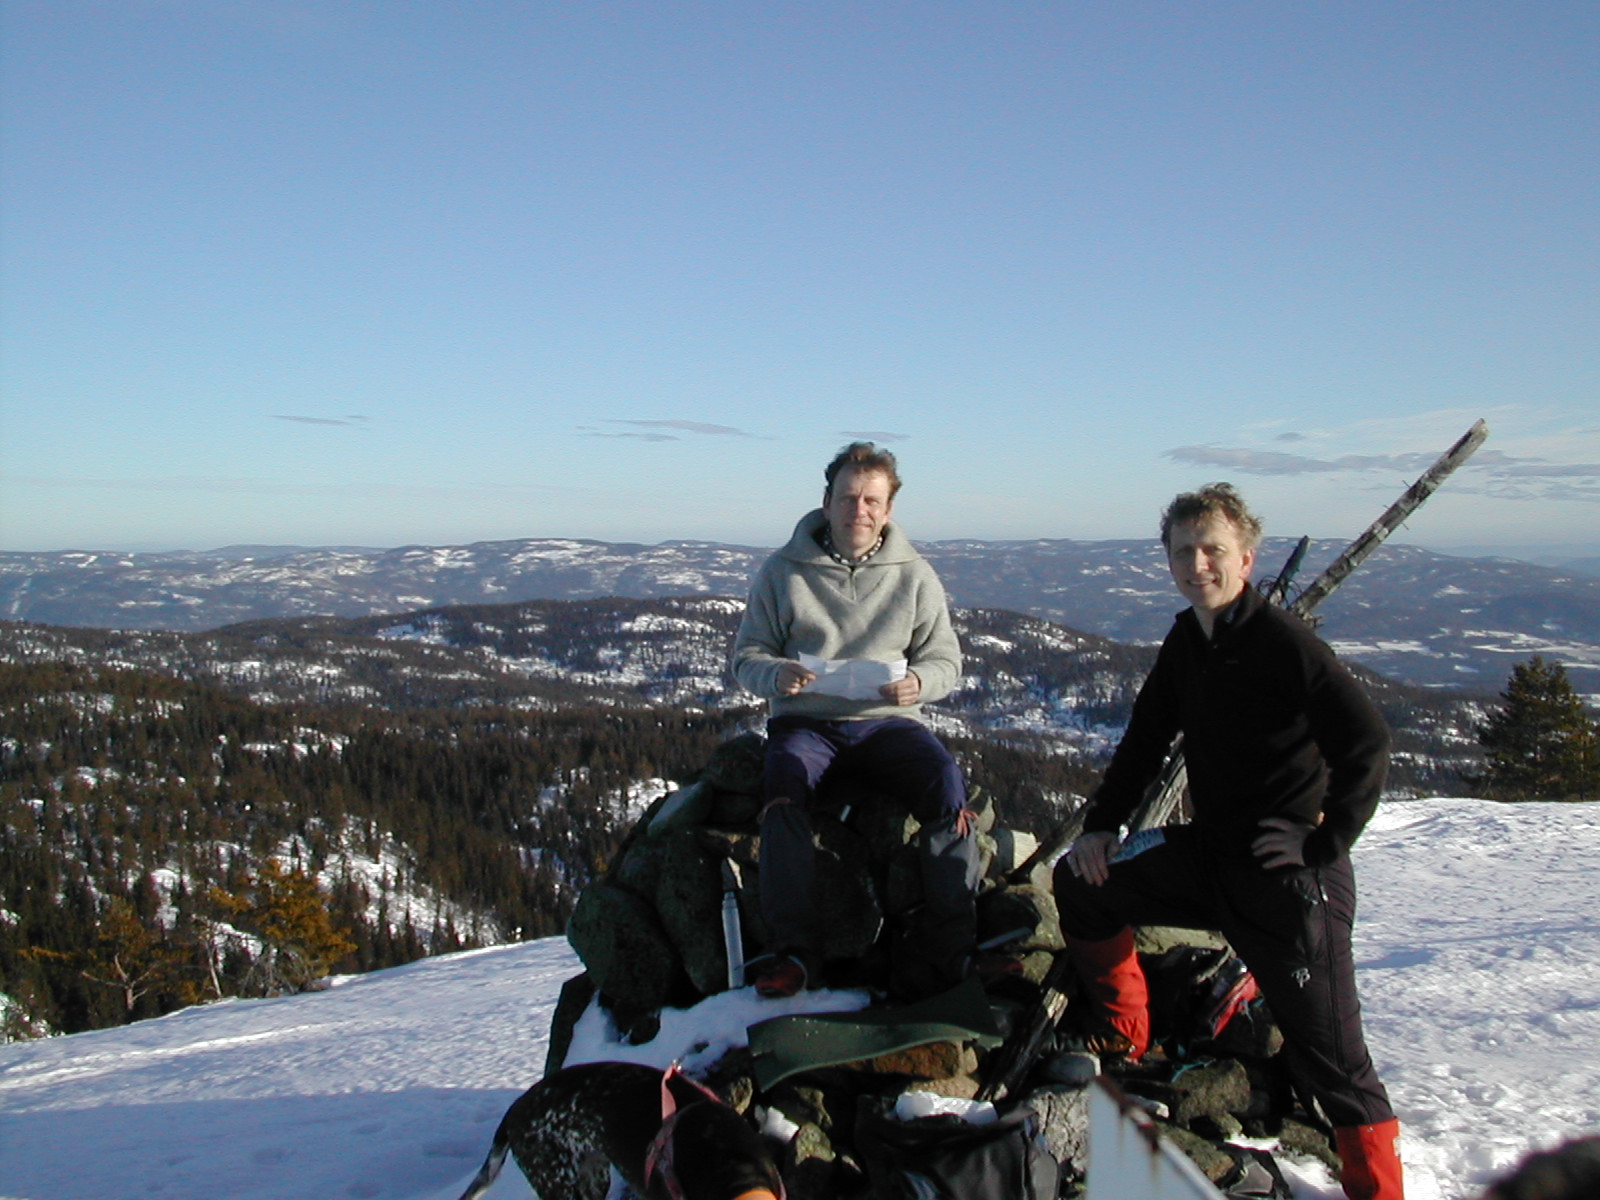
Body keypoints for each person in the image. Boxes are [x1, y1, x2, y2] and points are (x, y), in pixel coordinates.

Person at [1053, 482, 1405, 1200]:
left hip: (1288, 884)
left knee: (1337, 1065)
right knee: (1082, 881)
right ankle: (1124, 1032)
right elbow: (1145, 739)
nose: (1198, 564)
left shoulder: (1281, 643)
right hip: (1213, 856)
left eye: (1212, 549)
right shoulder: (1190, 639)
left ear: (1246, 558)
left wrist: (1324, 842)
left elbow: (1367, 741)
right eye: (1184, 551)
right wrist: (1101, 829)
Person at [731, 442, 978, 1001]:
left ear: (888, 509)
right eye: (847, 498)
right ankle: (796, 955)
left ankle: (954, 949)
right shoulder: (782, 572)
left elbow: (945, 661)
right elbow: (747, 657)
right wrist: (777, 675)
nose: (858, 510)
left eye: (871, 500)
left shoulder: (915, 576)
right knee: (783, 792)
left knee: (945, 785)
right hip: (806, 723)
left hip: (889, 722)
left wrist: (920, 683)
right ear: (826, 502)